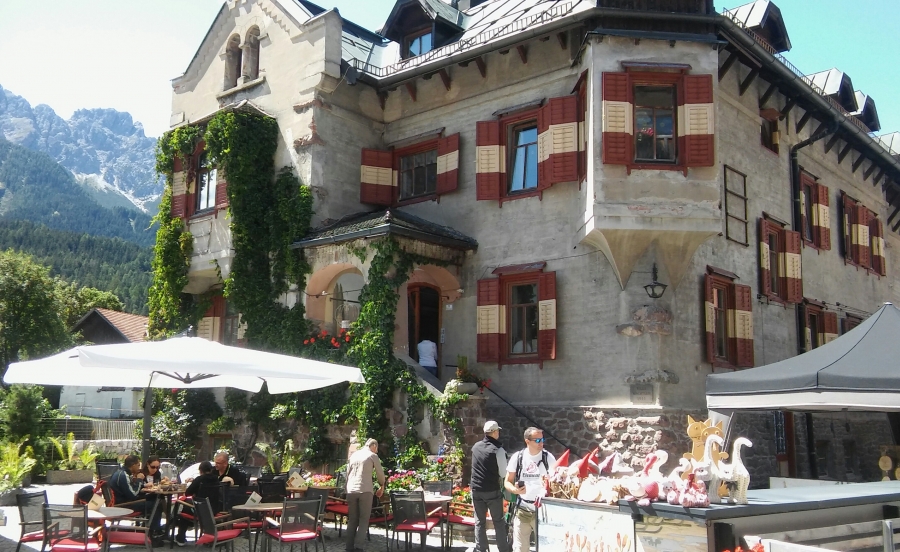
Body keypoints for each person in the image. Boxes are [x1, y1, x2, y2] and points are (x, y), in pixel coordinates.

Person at [504, 428, 555, 552]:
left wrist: (549, 484)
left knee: (546, 547)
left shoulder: (548, 457)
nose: (541, 443)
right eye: (537, 440)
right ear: (527, 441)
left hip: (543, 510)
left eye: (542, 439)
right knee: (520, 548)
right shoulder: (518, 457)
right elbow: (507, 481)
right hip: (523, 509)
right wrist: (515, 490)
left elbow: (557, 481)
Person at [469, 421, 510, 552]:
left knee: (479, 522)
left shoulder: (476, 447)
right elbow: (503, 473)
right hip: (492, 490)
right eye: (498, 431)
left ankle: (481, 549)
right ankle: (503, 549)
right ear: (495, 432)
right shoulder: (498, 450)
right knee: (498, 522)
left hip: (476, 489)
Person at [344, 438, 386, 552]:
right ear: (374, 446)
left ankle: (349, 547)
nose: (376, 451)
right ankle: (358, 547)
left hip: (351, 490)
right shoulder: (372, 456)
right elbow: (380, 474)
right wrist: (382, 485)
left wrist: (346, 488)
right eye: (376, 449)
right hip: (365, 490)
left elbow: (347, 473)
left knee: (352, 519)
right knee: (364, 519)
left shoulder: (354, 455)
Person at [108, 455, 163, 536]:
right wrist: (139, 480)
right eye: (138, 465)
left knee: (153, 498)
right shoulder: (124, 475)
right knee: (157, 504)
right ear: (133, 465)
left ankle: (150, 529)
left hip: (121, 502)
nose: (139, 468)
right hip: (124, 506)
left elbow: (130, 488)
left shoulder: (120, 473)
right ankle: (154, 532)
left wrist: (143, 485)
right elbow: (133, 495)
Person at [174, 461, 220, 545]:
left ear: (201, 470)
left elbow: (188, 493)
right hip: (214, 510)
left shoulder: (199, 479)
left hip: (200, 511)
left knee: (185, 508)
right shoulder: (216, 479)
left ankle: (181, 538)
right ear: (211, 469)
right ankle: (191, 526)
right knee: (188, 506)